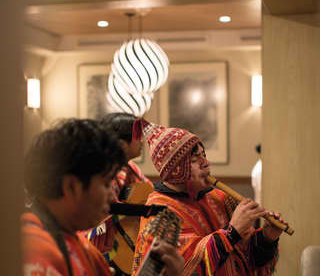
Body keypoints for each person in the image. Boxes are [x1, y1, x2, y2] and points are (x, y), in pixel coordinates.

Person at [22, 118, 184, 276]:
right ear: (71, 187)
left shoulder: (79, 243)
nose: (113, 196)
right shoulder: (35, 254)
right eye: (107, 184)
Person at [131, 119, 286, 276]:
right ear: (176, 171)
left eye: (203, 155)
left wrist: (266, 239)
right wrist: (232, 232)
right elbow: (186, 268)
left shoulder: (220, 198)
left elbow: (247, 257)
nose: (206, 163)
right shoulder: (159, 212)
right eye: (194, 160)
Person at [87, 113, 154, 269]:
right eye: (138, 136)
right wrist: (146, 210)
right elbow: (109, 206)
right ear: (122, 145)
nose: (142, 141)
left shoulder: (130, 168)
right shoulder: (104, 171)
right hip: (100, 244)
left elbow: (149, 191)